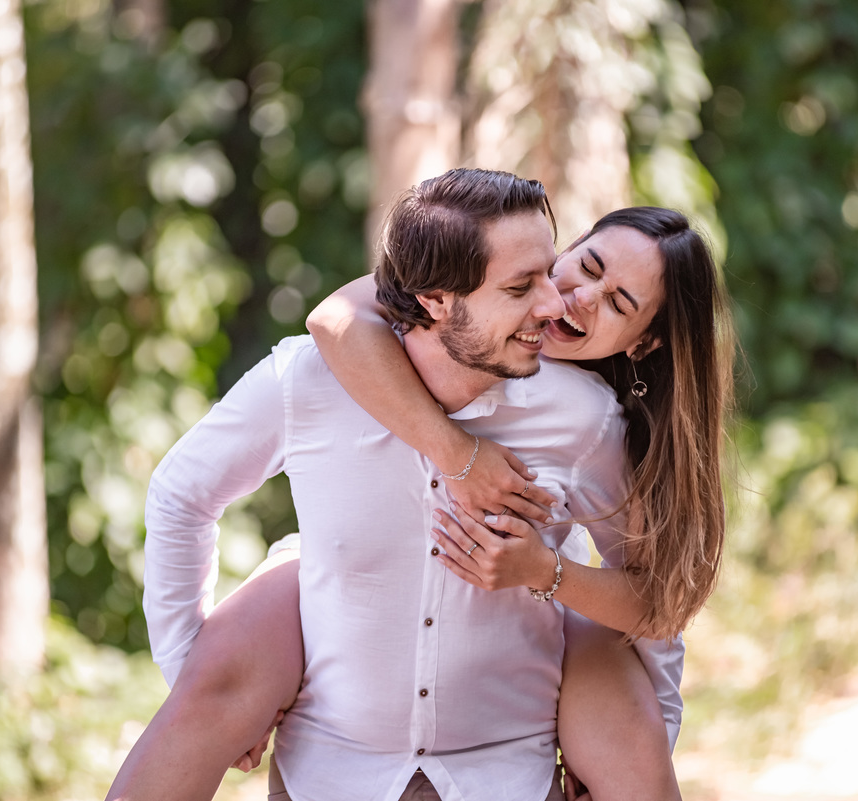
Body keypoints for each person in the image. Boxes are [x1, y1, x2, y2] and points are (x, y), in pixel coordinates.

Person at [107, 170, 733, 800]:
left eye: (620, 303)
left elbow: (656, 606)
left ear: (644, 341)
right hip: (337, 735)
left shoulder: (587, 419)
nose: (565, 301)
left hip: (515, 712)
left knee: (599, 644)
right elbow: (340, 318)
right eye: (579, 268)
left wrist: (649, 739)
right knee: (267, 606)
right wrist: (459, 455)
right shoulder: (328, 366)